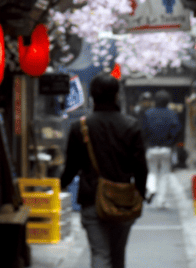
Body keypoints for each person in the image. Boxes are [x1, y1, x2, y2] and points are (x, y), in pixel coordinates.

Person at [60, 74, 148, 268]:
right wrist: (140, 193)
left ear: (92, 97)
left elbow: (71, 167)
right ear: (117, 96)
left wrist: (59, 185)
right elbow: (140, 167)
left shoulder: (80, 127)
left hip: (92, 199)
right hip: (123, 199)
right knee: (118, 256)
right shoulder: (131, 126)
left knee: (100, 254)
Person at [140, 89, 180, 208]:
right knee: (164, 174)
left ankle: (151, 189)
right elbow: (177, 130)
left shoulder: (148, 114)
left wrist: (145, 143)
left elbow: (143, 131)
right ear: (167, 101)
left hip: (151, 148)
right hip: (166, 148)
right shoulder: (172, 114)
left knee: (152, 172)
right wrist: (171, 142)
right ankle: (161, 200)